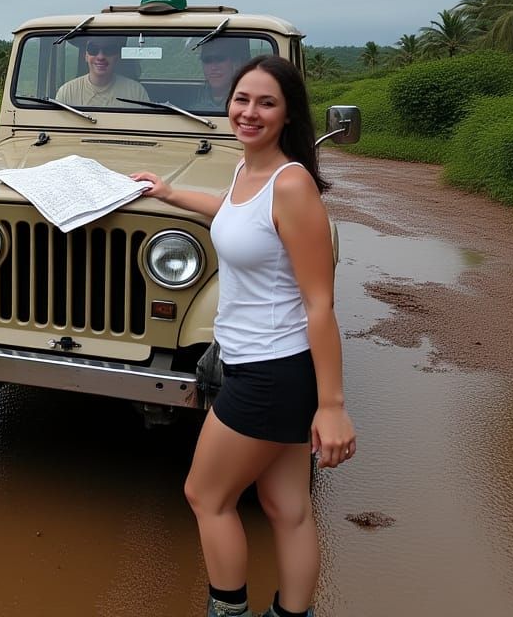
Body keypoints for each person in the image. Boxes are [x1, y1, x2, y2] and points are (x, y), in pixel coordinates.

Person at [130, 55, 356, 617]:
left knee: (206, 496)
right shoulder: (245, 170)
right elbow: (237, 217)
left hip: (269, 371)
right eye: (242, 100)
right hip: (266, 364)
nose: (249, 112)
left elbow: (320, 303)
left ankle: (227, 610)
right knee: (287, 508)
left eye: (266, 102)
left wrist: (332, 406)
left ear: (287, 114)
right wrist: (170, 193)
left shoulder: (292, 184)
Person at [55, 37, 150, 107]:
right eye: (93, 49)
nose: (100, 57)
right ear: (86, 56)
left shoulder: (136, 92)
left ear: (116, 56)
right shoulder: (66, 93)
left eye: (108, 50)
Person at [193, 38, 249, 112]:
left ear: (235, 63)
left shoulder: (247, 103)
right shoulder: (193, 102)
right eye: (207, 60)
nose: (213, 67)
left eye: (220, 59)